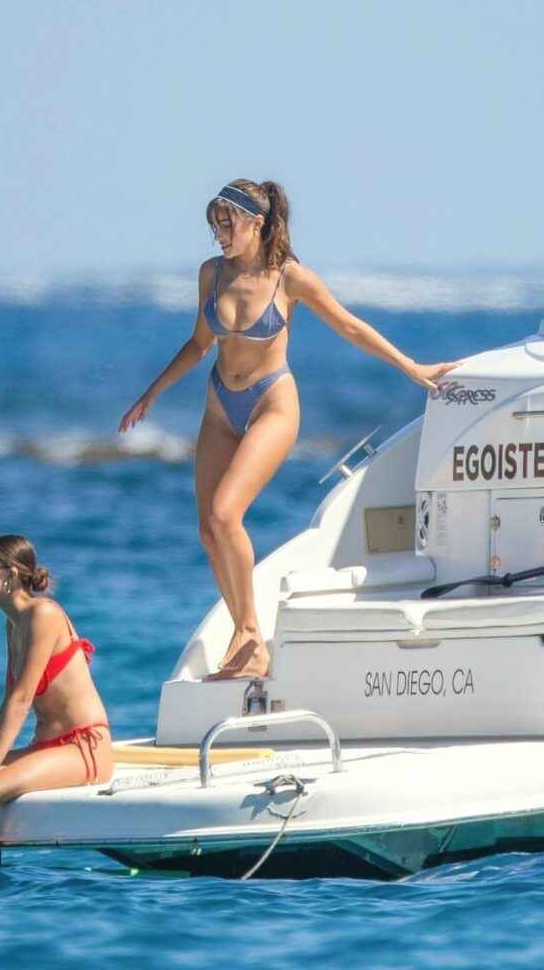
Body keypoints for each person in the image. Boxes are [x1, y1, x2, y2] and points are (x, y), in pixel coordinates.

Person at [119, 179, 458, 680]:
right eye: (214, 226)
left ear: (256, 222)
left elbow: (349, 326)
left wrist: (412, 367)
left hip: (272, 404)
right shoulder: (211, 273)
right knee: (209, 530)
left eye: (227, 225)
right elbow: (199, 344)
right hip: (220, 404)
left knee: (225, 513)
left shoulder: (289, 277)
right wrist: (152, 393)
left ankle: (251, 638)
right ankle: (244, 634)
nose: (219, 235)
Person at [0, 534, 113, 875]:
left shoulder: (44, 614)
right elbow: (9, 699)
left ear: (10, 575)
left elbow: (21, 700)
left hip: (84, 748)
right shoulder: (13, 624)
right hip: (46, 747)